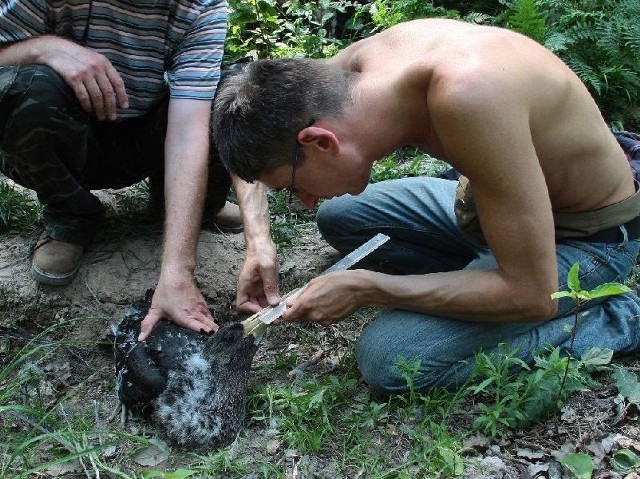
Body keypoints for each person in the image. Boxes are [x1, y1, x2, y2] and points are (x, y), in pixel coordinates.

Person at [212, 18, 640, 395]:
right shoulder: (346, 77)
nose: (303, 200)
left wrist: (368, 289)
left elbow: (532, 297)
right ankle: (481, 273)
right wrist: (258, 241)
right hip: (492, 205)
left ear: (322, 141)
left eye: (292, 186)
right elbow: (255, 141)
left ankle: (620, 317)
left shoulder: (467, 95)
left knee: (391, 358)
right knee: (340, 218)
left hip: (586, 237)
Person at [0, 0, 280, 339]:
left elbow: (188, 132)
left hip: (145, 138)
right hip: (59, 139)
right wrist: (42, 48)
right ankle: (70, 215)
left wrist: (178, 272)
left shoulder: (200, 7)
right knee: (28, 84)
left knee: (231, 88)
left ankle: (200, 204)